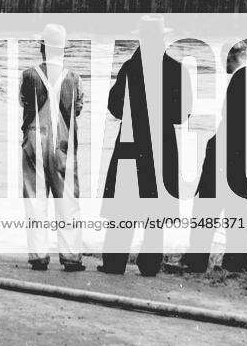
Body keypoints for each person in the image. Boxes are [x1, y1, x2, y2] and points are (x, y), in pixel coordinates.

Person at [99, 15, 192, 277]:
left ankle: (115, 262)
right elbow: (182, 114)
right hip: (161, 144)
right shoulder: (176, 69)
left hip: (130, 142)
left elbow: (114, 106)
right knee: (156, 208)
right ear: (163, 38)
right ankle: (149, 264)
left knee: (124, 206)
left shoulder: (130, 68)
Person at [172, 41, 247, 275]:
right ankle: (236, 262)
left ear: (230, 58)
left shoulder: (240, 81)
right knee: (237, 207)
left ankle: (196, 261)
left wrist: (224, 144)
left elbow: (235, 124)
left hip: (226, 156)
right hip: (244, 156)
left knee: (206, 205)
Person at [20, 23, 85, 272]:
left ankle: (38, 256)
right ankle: (70, 257)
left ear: (43, 48)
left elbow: (24, 104)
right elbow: (77, 109)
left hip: (35, 138)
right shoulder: (74, 77)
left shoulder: (29, 75)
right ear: (64, 49)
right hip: (63, 142)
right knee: (67, 198)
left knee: (35, 199)